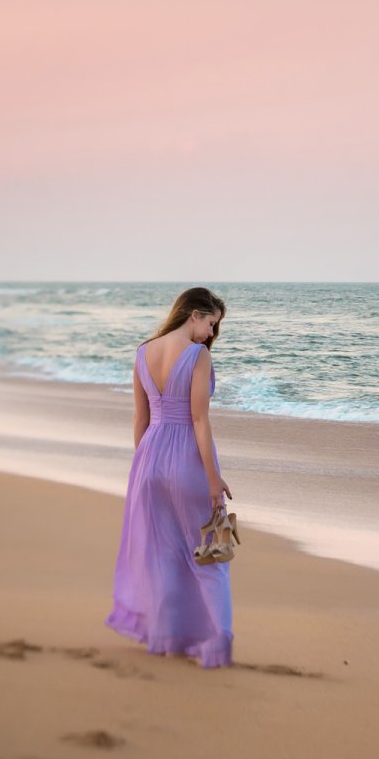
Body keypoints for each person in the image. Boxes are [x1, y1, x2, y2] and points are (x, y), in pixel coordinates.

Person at [106, 286, 234, 667]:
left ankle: (167, 639)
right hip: (186, 460)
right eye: (211, 324)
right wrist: (214, 477)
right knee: (211, 554)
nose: (211, 335)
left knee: (161, 555)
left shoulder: (144, 351)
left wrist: (144, 463)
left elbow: (140, 419)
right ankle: (218, 642)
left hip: (148, 459)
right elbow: (198, 419)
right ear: (194, 314)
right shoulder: (196, 356)